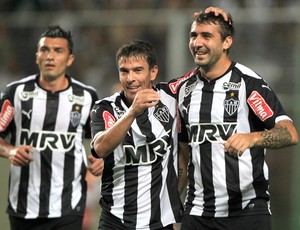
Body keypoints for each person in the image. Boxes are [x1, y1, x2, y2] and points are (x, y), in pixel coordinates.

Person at [177, 10, 299, 230]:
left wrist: (253, 138)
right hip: (197, 214)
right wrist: (172, 202)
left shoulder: (248, 83)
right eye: (193, 35)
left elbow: (289, 132)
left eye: (207, 36)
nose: (197, 42)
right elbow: (184, 154)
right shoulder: (184, 89)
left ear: (227, 42)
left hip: (247, 213)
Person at [0, 25, 103, 230]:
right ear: (37, 55)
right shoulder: (16, 93)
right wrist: (10, 150)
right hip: (23, 206)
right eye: (45, 50)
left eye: (58, 50)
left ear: (70, 59)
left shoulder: (87, 97)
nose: (50, 56)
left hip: (68, 207)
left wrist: (101, 159)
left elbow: (100, 141)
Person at [90, 39, 185, 230]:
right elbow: (100, 148)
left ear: (153, 72)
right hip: (116, 220)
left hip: (160, 222)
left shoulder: (171, 98)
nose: (130, 78)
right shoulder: (105, 107)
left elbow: (204, 70)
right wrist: (132, 111)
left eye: (138, 70)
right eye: (124, 71)